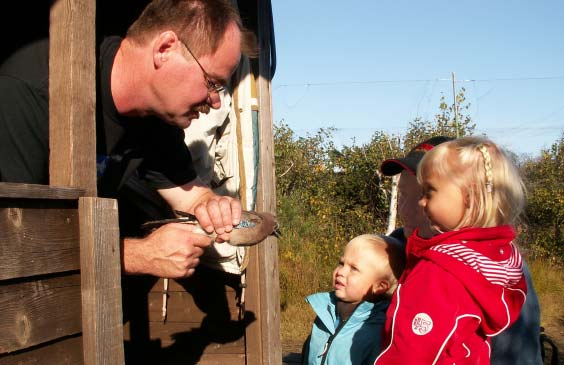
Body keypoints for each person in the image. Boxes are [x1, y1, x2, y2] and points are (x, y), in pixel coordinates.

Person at [0, 0, 257, 279]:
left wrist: (212, 205)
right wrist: (135, 255)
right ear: (165, 49)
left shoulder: (155, 120)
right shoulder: (27, 92)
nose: (216, 102)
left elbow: (190, 194)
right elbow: (11, 239)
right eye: (212, 82)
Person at [380, 136, 543, 364]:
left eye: (425, 193)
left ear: (470, 199)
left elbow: (517, 356)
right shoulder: (391, 248)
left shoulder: (488, 271)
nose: (408, 208)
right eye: (402, 197)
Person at [301, 234, 405, 365]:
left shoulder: (378, 332)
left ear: (380, 286)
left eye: (354, 269)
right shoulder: (326, 313)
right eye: (341, 263)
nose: (341, 272)